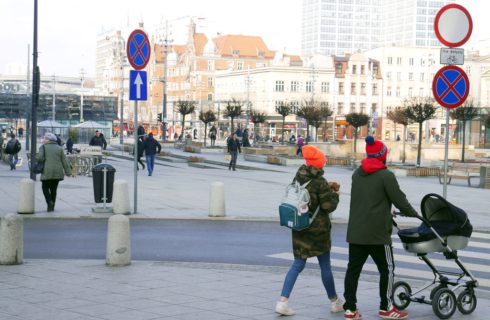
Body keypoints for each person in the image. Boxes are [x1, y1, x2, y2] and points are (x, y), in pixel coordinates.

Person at [343, 136, 418, 320]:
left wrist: (386, 210)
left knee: (353, 270)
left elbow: (368, 201)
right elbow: (400, 200)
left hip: (356, 232)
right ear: (382, 156)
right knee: (387, 270)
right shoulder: (386, 175)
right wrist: (413, 213)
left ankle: (350, 309)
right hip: (377, 234)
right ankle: (386, 307)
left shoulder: (357, 173)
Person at [275, 145, 342, 316]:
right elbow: (328, 206)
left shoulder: (298, 178)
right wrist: (335, 194)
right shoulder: (320, 183)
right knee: (325, 266)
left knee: (297, 264)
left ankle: (282, 302)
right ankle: (334, 302)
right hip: (318, 231)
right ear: (319, 164)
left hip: (299, 227)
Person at [36, 133, 71, 212]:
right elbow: (64, 160)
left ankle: (49, 202)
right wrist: (68, 172)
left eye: (44, 138)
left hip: (47, 171)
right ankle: (51, 207)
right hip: (57, 172)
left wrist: (36, 156)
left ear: (48, 140)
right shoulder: (59, 148)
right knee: (53, 190)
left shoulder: (43, 147)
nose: (43, 139)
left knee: (44, 188)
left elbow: (40, 159)